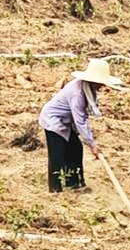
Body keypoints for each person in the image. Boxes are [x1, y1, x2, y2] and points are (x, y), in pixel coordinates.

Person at [37, 58, 122, 191]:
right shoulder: (77, 93)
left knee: (75, 148)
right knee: (57, 155)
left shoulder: (87, 89)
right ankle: (55, 189)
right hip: (53, 120)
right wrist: (92, 144)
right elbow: (80, 120)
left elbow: (81, 118)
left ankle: (74, 183)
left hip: (65, 121)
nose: (102, 86)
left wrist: (88, 140)